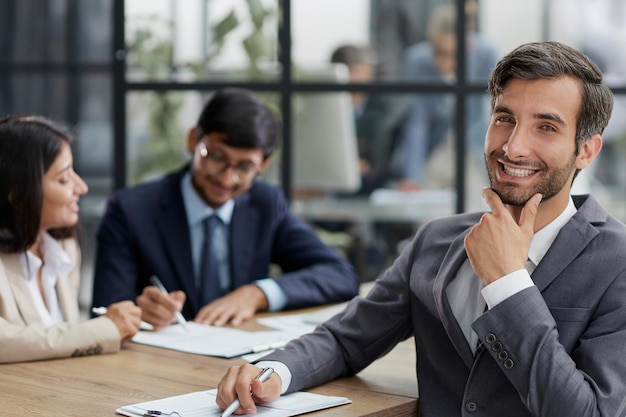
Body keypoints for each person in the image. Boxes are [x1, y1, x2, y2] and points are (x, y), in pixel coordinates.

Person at [215, 41, 626, 417]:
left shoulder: (617, 263)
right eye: (505, 118)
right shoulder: (436, 241)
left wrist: (508, 284)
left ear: (586, 150)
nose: (513, 146)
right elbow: (345, 339)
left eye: (546, 127)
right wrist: (273, 371)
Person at [92, 87, 360, 328]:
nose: (225, 178)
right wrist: (140, 312)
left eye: (244, 168)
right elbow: (103, 312)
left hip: (240, 364)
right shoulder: (131, 210)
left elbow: (340, 275)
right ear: (193, 140)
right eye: (216, 158)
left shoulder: (265, 204)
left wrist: (256, 294)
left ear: (263, 165)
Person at [0, 115, 141, 363]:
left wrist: (134, 316)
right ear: (17, 194)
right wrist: (103, 329)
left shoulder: (63, 248)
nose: (82, 187)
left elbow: (61, 340)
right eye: (64, 178)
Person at [390, 1, 499, 191]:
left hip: (473, 147)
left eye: (451, 54)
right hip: (436, 148)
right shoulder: (418, 60)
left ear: (468, 45)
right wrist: (412, 175)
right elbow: (418, 121)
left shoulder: (486, 54)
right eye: (438, 53)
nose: (443, 63)